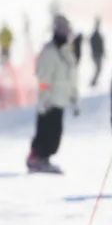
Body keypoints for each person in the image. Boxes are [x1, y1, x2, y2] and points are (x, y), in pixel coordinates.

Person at [27, 14, 78, 173]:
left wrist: (74, 97)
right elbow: (43, 77)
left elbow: (71, 76)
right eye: (63, 30)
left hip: (60, 99)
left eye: (68, 31)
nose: (66, 34)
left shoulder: (66, 52)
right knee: (47, 132)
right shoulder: (50, 51)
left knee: (55, 134)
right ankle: (38, 159)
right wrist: (43, 99)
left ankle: (41, 158)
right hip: (49, 100)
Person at [89, 17, 105, 87]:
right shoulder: (95, 35)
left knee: (99, 68)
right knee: (98, 68)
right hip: (96, 54)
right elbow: (94, 43)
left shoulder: (97, 34)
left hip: (98, 54)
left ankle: (94, 82)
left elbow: (101, 45)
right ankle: (93, 82)